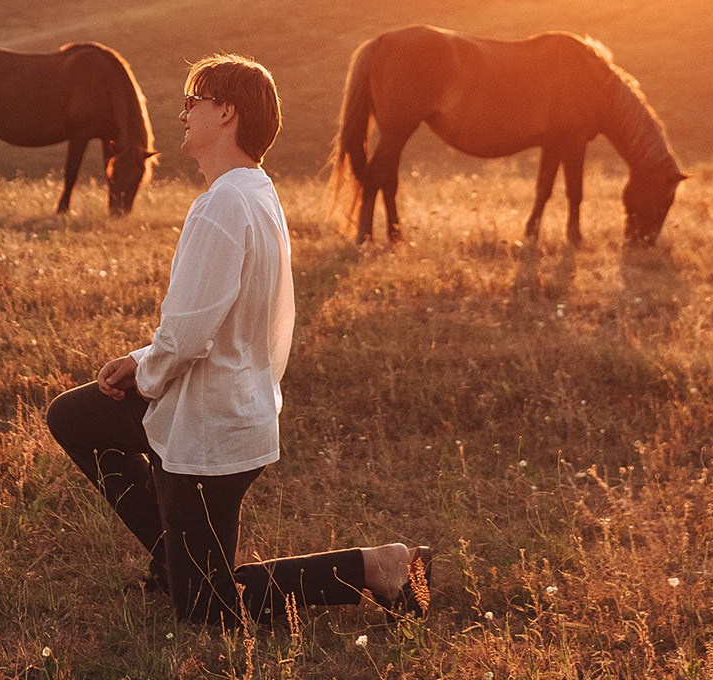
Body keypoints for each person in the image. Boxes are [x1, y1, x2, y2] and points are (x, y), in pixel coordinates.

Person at [45, 53, 431, 631]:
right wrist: (140, 361)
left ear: (226, 113)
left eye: (192, 100)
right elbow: (204, 328)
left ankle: (379, 566)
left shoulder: (223, 206)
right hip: (230, 406)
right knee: (76, 416)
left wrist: (147, 372)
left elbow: (188, 334)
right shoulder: (255, 193)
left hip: (210, 428)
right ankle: (174, 557)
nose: (182, 113)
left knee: (206, 604)